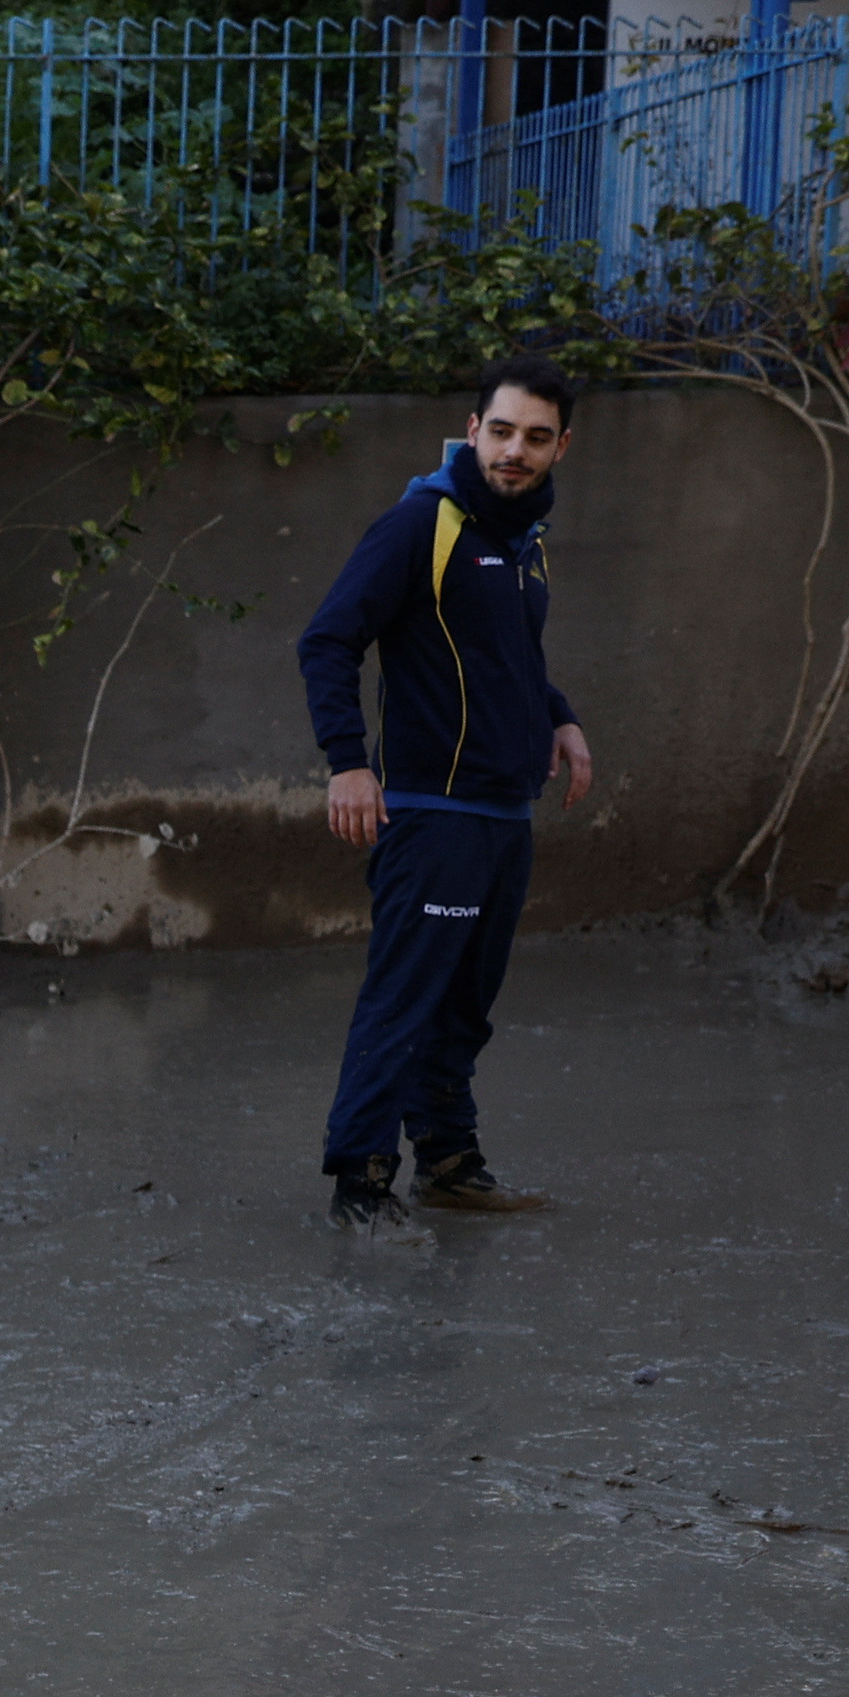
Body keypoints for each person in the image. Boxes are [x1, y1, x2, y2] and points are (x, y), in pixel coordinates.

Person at [294, 358, 598, 1239]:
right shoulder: (421, 524)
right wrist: (347, 763)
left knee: (464, 1006)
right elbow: (328, 640)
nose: (515, 451)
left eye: (536, 437)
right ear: (473, 431)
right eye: (501, 431)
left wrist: (560, 717)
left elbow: (510, 654)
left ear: (561, 447)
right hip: (433, 813)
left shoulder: (524, 540)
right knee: (406, 998)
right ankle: (361, 1182)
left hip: (506, 814)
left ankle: (450, 1164)